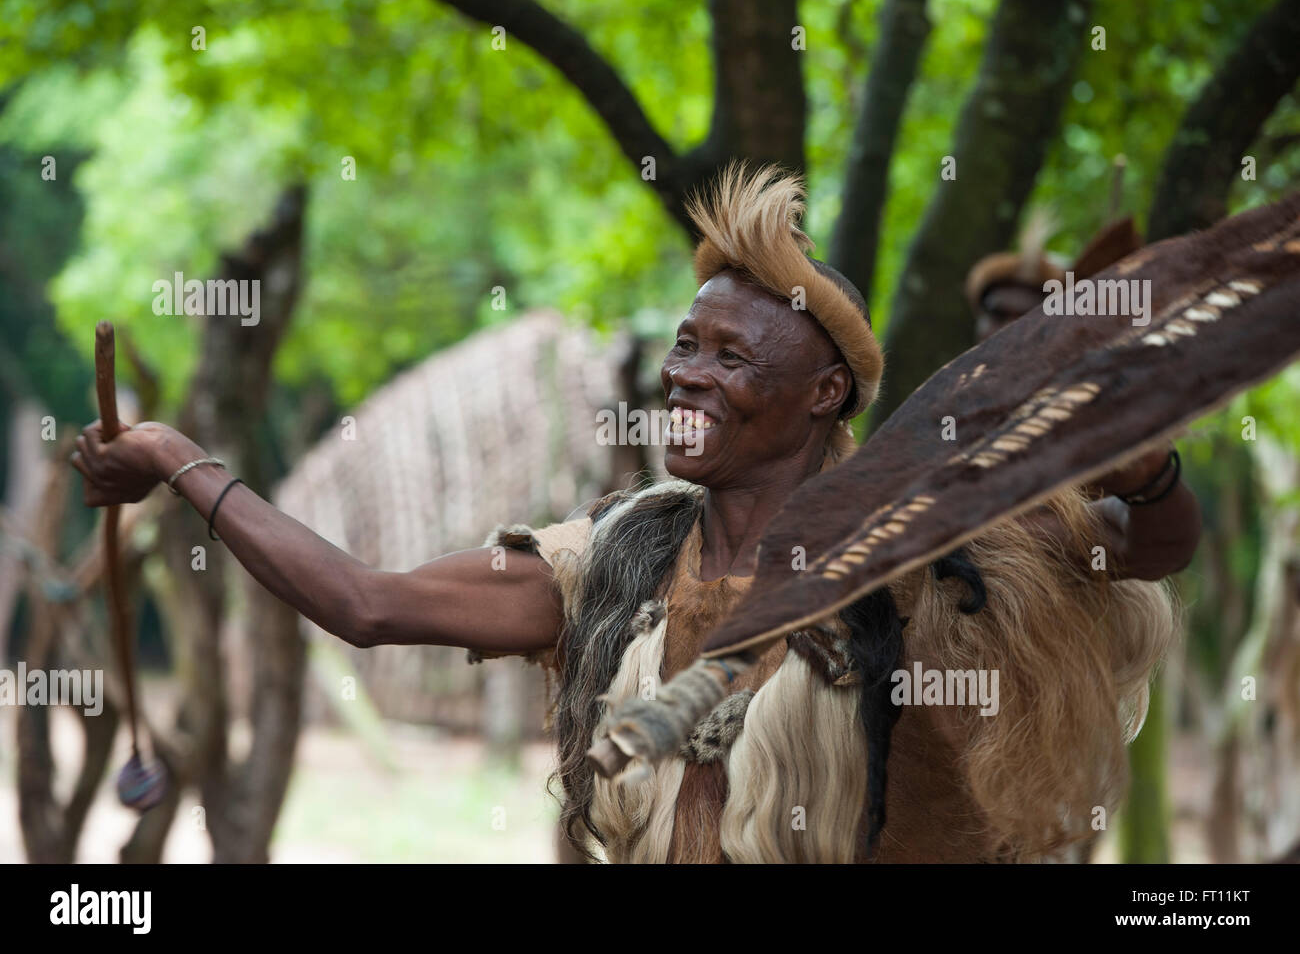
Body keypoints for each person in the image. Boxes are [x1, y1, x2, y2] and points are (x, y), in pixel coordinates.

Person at [71, 163, 1200, 863]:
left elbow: (1134, 556)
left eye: (729, 354)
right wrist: (178, 460)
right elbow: (366, 604)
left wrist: (1144, 473)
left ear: (822, 395)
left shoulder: (908, 550)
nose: (687, 374)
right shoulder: (618, 557)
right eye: (684, 345)